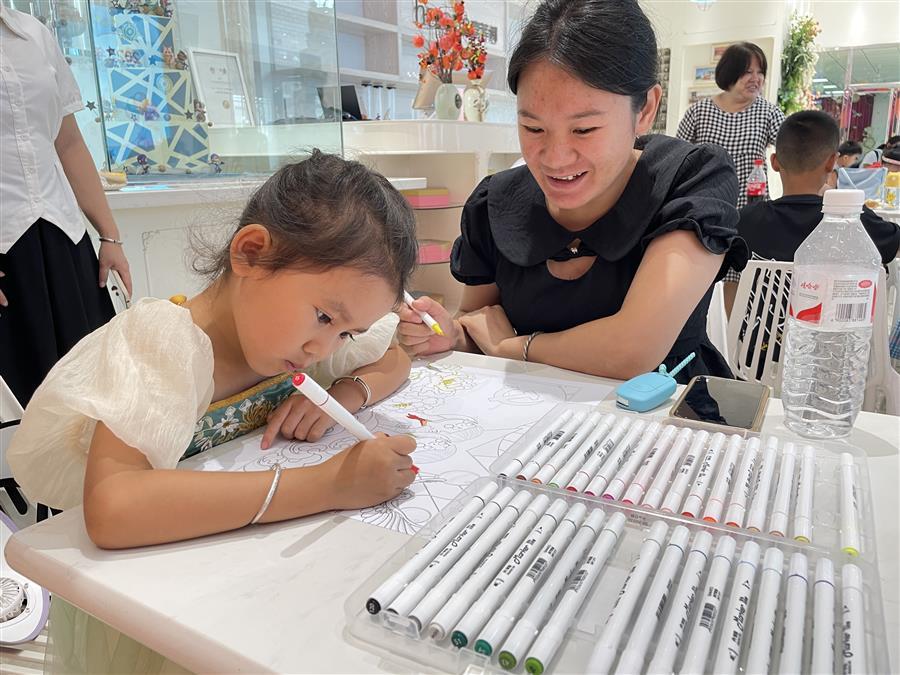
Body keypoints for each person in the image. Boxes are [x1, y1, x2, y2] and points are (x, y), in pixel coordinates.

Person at [8, 151, 419, 550]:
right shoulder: (164, 344)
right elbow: (112, 508)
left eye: (348, 334)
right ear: (252, 254)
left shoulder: (294, 342)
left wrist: (341, 397)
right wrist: (330, 484)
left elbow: (393, 357)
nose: (323, 350)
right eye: (325, 317)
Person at [399, 0, 748, 384]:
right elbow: (479, 322)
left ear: (645, 109)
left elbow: (632, 350)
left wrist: (514, 347)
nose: (555, 158)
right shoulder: (495, 203)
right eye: (533, 128)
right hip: (528, 409)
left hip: (665, 407)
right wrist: (452, 334)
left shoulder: (690, 182)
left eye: (584, 130)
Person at [0, 5, 132, 406]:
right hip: (7, 247)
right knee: (21, 406)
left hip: (62, 238)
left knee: (92, 393)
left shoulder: (33, 34)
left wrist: (109, 235)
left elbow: (69, 143)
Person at [730, 110, 899, 289]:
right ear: (831, 162)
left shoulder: (744, 220)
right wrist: (839, 198)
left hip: (759, 309)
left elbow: (728, 278)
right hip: (832, 308)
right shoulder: (853, 220)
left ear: (774, 162)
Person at [677, 41, 785, 208]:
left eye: (760, 72)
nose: (756, 79)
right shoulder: (699, 112)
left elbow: (793, 152)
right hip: (706, 207)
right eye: (748, 72)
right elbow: (678, 159)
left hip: (750, 209)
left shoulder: (769, 113)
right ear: (730, 72)